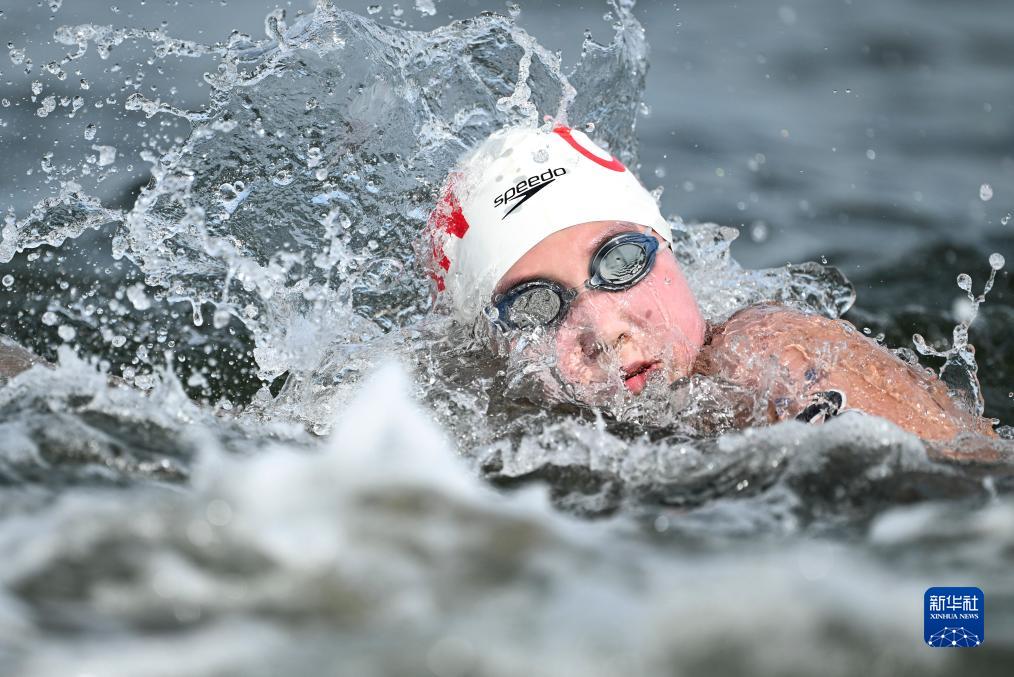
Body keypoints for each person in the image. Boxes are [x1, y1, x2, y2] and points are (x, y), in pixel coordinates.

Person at [424, 125, 996, 442]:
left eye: (620, 261)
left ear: (666, 246)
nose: (602, 329)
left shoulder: (765, 354)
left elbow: (966, 504)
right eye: (534, 307)